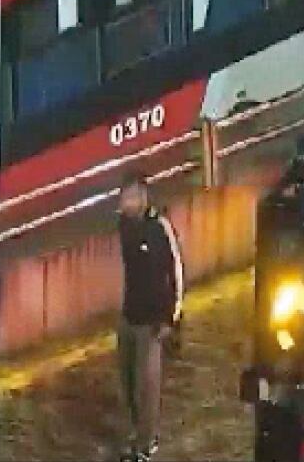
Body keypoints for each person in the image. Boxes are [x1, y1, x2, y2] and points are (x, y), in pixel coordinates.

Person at [116, 178, 184, 461]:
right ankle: (136, 432)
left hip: (152, 323)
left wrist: (171, 319)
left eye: (129, 198)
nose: (123, 204)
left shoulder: (159, 228)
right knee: (128, 380)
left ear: (143, 199)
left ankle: (146, 444)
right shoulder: (124, 226)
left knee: (147, 385)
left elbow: (176, 272)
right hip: (128, 316)